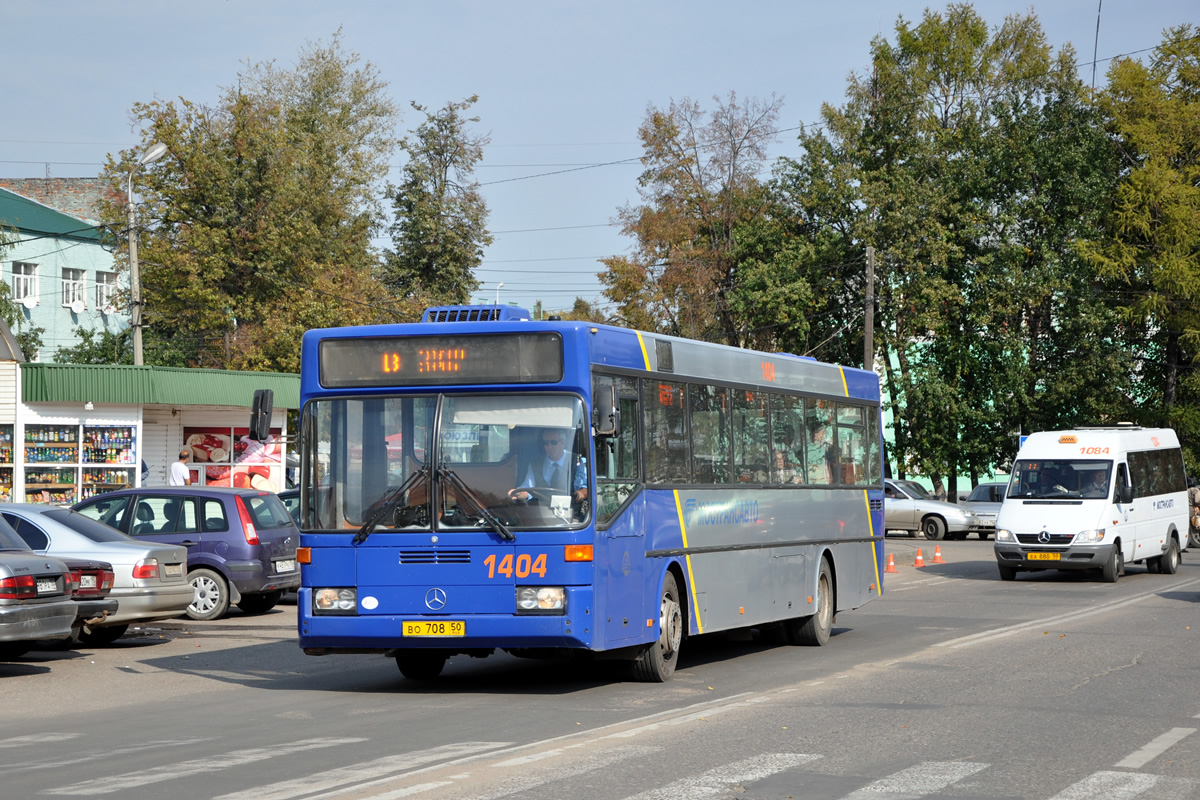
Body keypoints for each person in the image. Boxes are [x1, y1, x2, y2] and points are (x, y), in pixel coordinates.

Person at [509, 428, 587, 505]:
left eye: (553, 442)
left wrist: (578, 494)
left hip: (570, 512)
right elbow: (528, 488)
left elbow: (585, 489)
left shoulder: (577, 462)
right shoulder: (535, 464)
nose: (549, 446)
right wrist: (518, 493)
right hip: (542, 512)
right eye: (546, 443)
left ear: (563, 443)